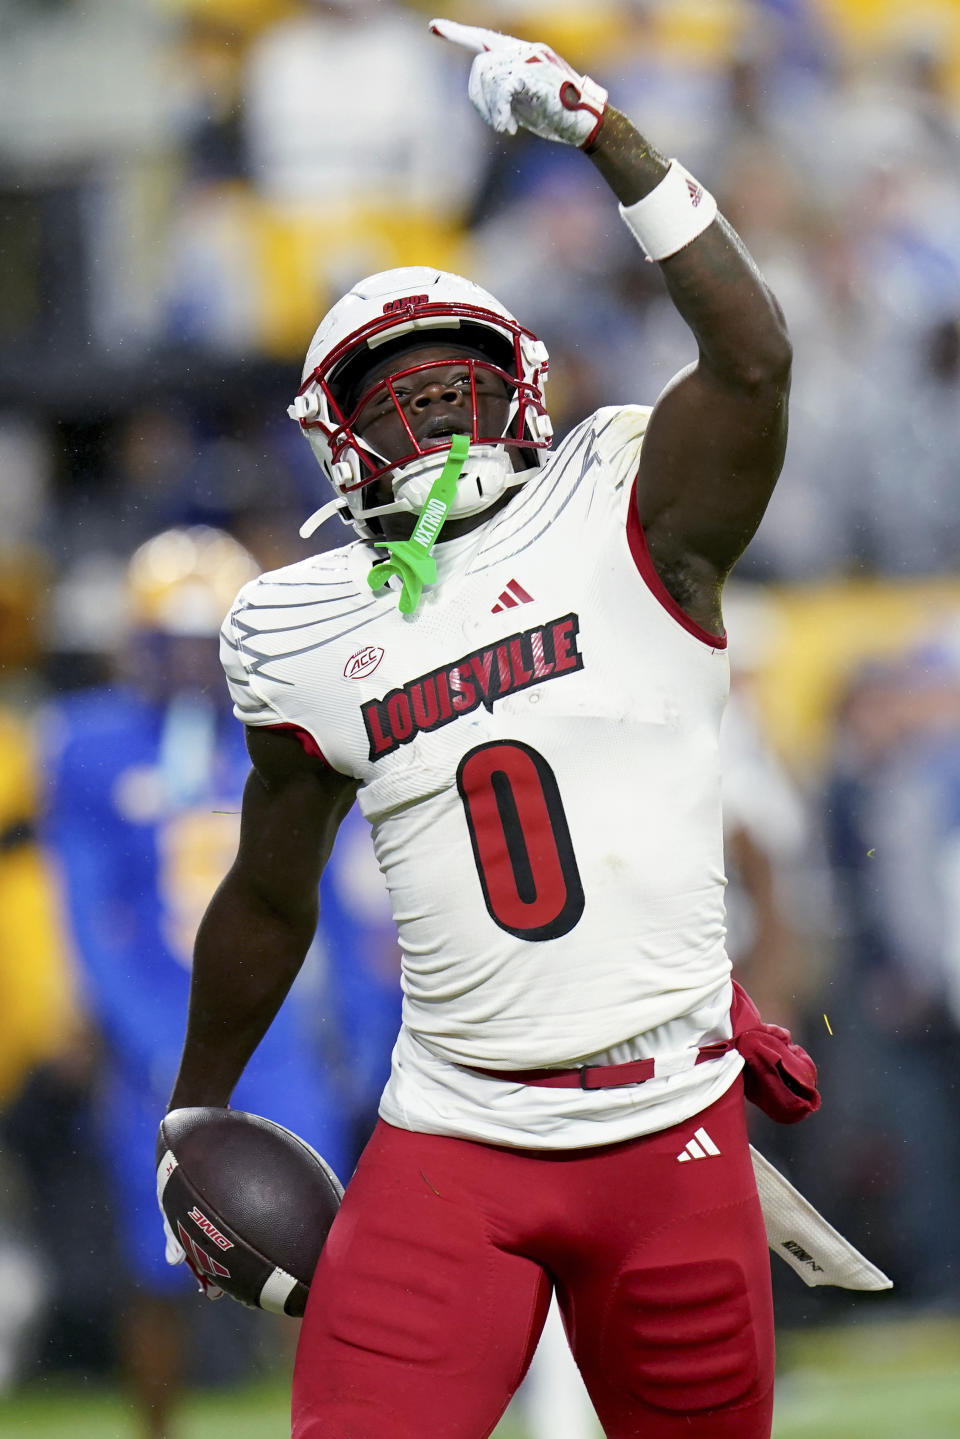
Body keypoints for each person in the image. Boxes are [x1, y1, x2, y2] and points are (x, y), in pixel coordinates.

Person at [163, 21, 813, 1439]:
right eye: (389, 383)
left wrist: (609, 135)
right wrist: (189, 1114)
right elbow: (268, 889)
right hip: (455, 1127)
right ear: (331, 434)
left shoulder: (630, 508)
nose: (431, 397)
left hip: (670, 1116)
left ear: (520, 374)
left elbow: (755, 361)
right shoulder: (300, 621)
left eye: (456, 362)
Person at [46, 527, 351, 1439]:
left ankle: (332, 1423)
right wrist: (144, 1034)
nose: (185, 664)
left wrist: (360, 1030)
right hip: (157, 1033)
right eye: (168, 642)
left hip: (282, 1031)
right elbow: (91, 917)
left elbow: (329, 895)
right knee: (159, 1263)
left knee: (326, 1247)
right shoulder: (91, 745)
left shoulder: (286, 738)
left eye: (200, 643)